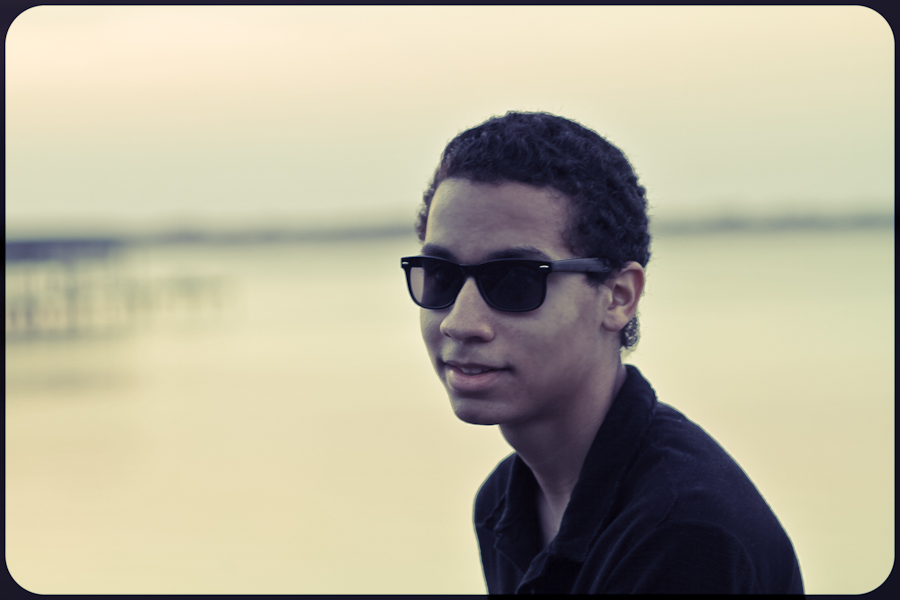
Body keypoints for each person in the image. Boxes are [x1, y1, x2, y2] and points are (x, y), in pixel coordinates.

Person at [401, 111, 803, 594]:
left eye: (515, 280)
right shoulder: (506, 502)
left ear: (618, 297)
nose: (459, 322)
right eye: (440, 276)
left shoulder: (685, 533)